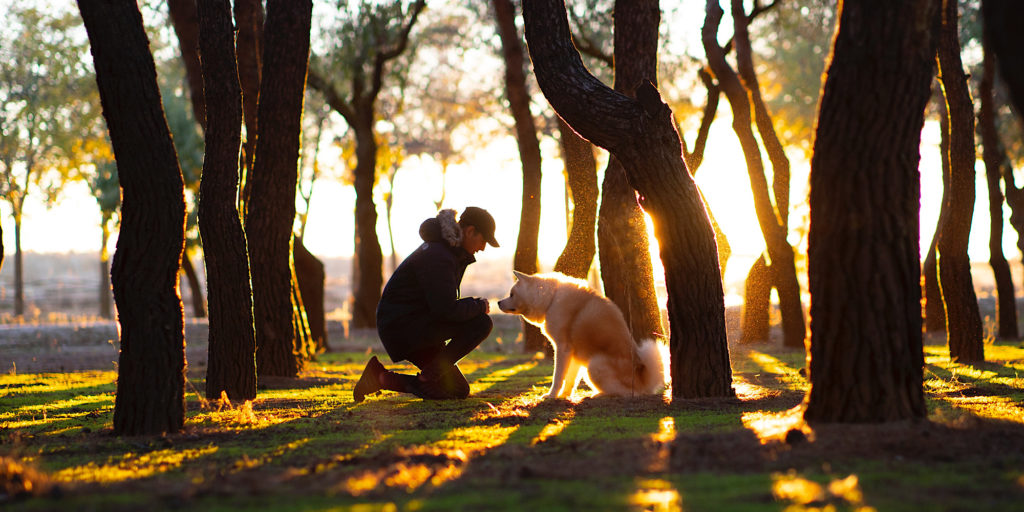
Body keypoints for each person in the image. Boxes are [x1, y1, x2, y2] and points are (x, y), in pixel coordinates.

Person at [353, 207, 499, 402]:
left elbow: (441, 305)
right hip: (404, 328)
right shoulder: (439, 256)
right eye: (483, 241)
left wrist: (473, 305)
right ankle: (426, 378)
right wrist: (479, 306)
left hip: (413, 325)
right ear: (470, 231)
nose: (482, 248)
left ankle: (379, 377)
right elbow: (445, 310)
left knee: (457, 390)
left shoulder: (447, 252)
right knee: (481, 323)